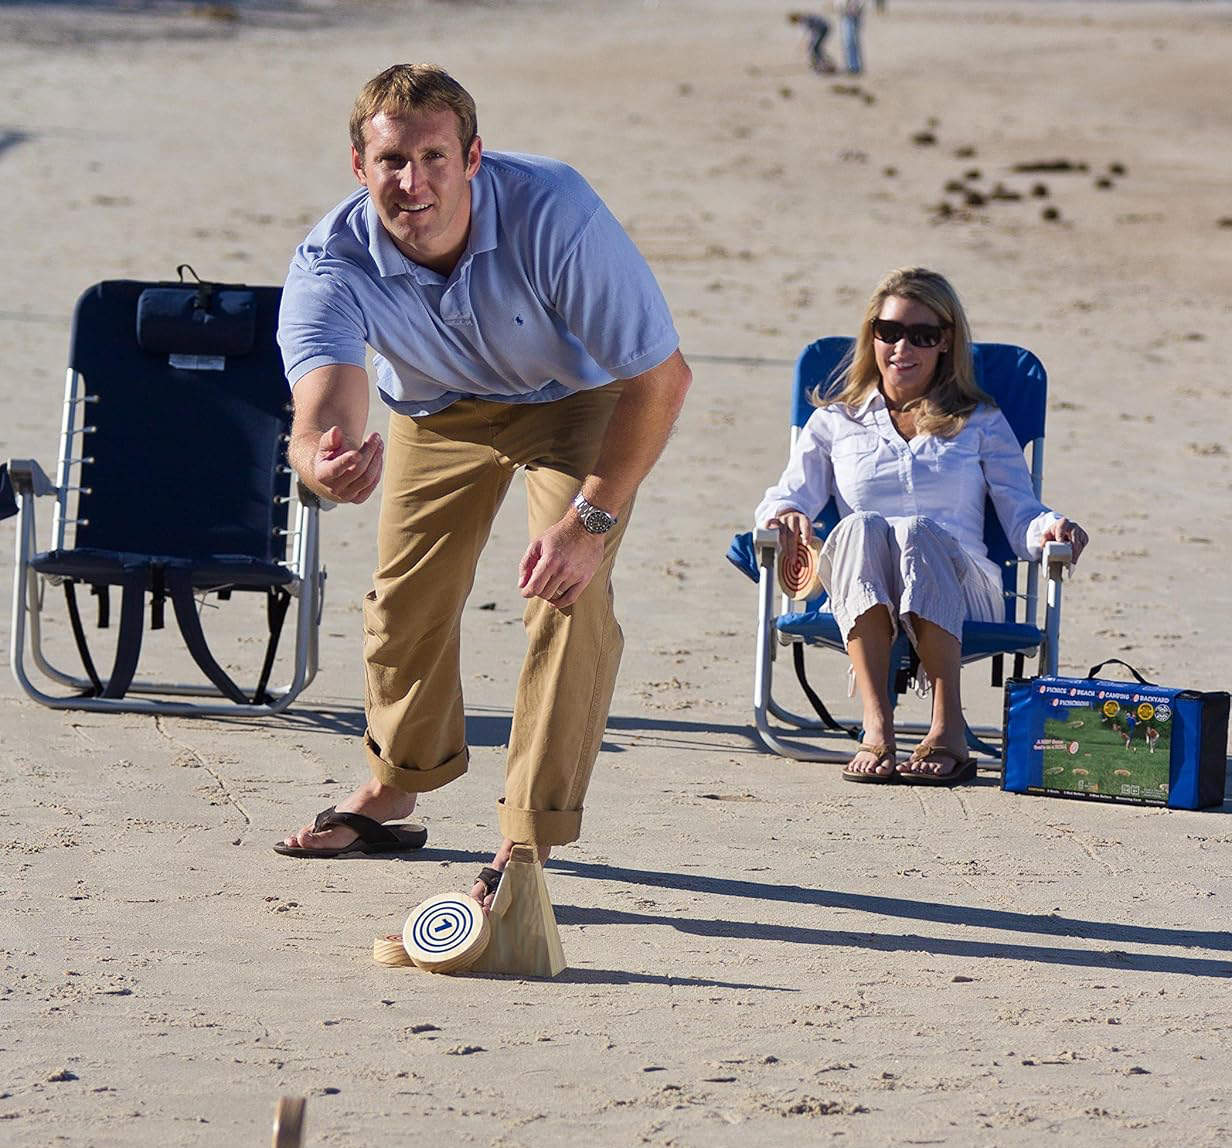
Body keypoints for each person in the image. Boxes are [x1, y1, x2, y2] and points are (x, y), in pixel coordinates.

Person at [273, 64, 691, 907]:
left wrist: (591, 520)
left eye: (433, 156)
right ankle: (395, 789)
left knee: (566, 591)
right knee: (403, 597)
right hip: (438, 409)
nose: (412, 182)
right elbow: (320, 414)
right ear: (359, 166)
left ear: (472, 158)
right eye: (391, 161)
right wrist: (323, 464)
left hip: (577, 398)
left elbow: (662, 379)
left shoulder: (555, 213)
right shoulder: (329, 262)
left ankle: (526, 838)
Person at [754, 267, 1088, 786]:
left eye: (922, 335)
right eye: (888, 332)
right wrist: (783, 515)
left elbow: (1021, 512)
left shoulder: (980, 421)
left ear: (945, 342)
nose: (902, 347)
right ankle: (877, 724)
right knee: (862, 525)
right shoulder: (835, 422)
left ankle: (947, 726)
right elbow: (785, 496)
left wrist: (1052, 527)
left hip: (964, 587)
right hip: (866, 586)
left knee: (914, 530)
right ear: (872, 336)